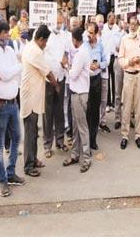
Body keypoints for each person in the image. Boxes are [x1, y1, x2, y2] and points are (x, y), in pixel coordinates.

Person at [0, 20, 25, 197]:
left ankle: (11, 173)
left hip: (13, 102)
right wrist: (13, 70)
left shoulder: (10, 50)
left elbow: (13, 75)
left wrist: (8, 73)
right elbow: (9, 73)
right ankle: (3, 180)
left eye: (7, 33)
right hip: (0, 105)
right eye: (4, 33)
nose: (7, 36)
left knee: (17, 138)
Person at [20, 24, 57, 177]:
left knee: (34, 131)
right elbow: (48, 73)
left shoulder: (31, 47)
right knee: (30, 132)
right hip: (30, 97)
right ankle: (28, 166)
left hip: (34, 96)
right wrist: (57, 86)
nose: (45, 45)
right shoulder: (35, 51)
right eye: (45, 42)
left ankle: (33, 159)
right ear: (40, 39)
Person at [63, 28, 92, 173]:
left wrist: (66, 66)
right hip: (77, 93)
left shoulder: (81, 54)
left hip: (80, 93)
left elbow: (73, 74)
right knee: (75, 126)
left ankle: (86, 157)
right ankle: (75, 154)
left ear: (75, 40)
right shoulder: (83, 52)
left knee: (82, 126)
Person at [119, 16, 140, 150]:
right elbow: (120, 59)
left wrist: (139, 61)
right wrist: (129, 62)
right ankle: (125, 135)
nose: (133, 26)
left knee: (138, 106)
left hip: (139, 75)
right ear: (128, 25)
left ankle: (138, 135)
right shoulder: (124, 39)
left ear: (138, 25)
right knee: (127, 107)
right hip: (128, 75)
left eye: (135, 24)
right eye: (131, 24)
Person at [43, 13, 70, 157]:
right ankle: (47, 144)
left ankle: (60, 140)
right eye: (57, 22)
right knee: (48, 112)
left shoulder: (65, 35)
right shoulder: (45, 34)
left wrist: (65, 58)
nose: (59, 24)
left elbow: (67, 51)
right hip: (48, 78)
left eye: (61, 22)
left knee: (59, 110)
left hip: (60, 77)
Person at [84, 22, 107, 150]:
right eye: (88, 32)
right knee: (87, 110)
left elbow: (105, 61)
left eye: (91, 33)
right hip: (86, 80)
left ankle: (93, 139)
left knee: (95, 110)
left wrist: (98, 65)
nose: (89, 35)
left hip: (96, 80)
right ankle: (86, 139)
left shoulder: (101, 46)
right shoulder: (84, 44)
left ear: (96, 33)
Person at [101, 12, 122, 129]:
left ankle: (114, 102)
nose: (113, 19)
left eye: (114, 18)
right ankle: (108, 103)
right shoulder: (103, 28)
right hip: (105, 56)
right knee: (106, 79)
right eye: (111, 17)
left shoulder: (117, 28)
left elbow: (119, 41)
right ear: (108, 18)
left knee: (115, 80)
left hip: (114, 55)